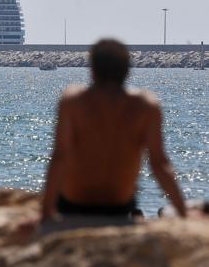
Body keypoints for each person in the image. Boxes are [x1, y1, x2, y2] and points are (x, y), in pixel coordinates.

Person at [42, 39, 187, 221]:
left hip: (74, 204)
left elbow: (60, 156)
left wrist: (46, 212)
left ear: (92, 71)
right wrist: (183, 213)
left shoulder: (72, 101)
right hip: (119, 206)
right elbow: (159, 164)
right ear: (127, 71)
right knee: (166, 212)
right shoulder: (146, 106)